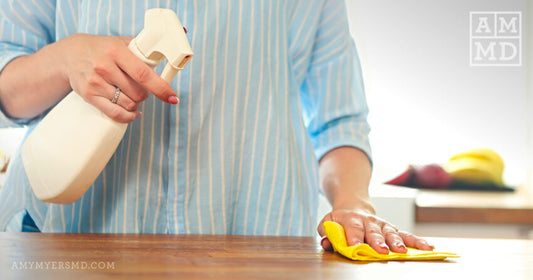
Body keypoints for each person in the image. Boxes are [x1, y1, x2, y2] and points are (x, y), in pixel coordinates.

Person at [0, 0, 433, 254]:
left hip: (255, 254)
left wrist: (353, 202)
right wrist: (64, 58)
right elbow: (8, 91)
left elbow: (339, 121)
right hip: (64, 246)